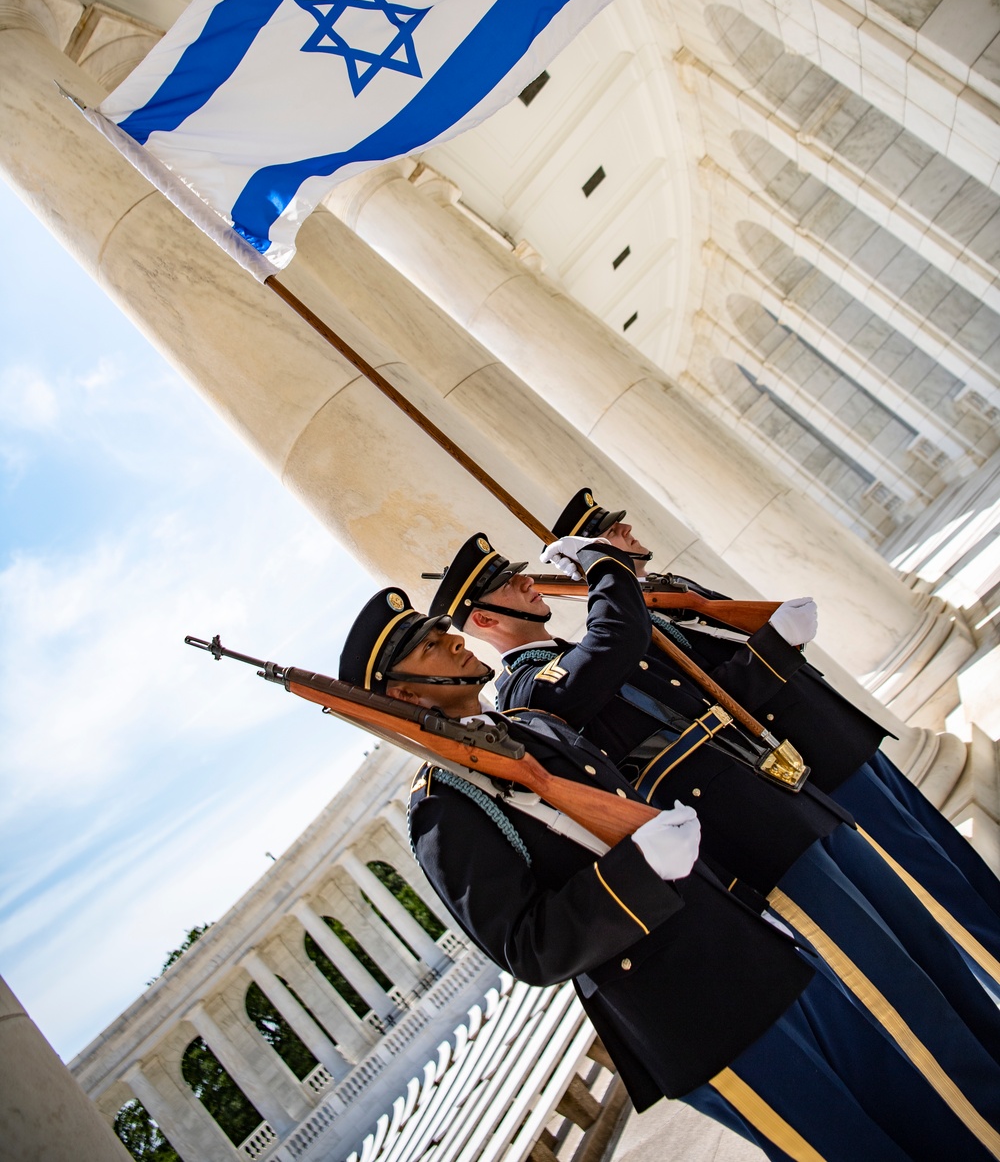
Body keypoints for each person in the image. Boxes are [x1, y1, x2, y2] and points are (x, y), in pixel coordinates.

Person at [336, 585, 1000, 1161]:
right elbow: (528, 946)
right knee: (851, 1148)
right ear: (399, 695)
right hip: (695, 1008)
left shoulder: (527, 726)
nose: (451, 640)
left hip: (752, 948)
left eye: (441, 629)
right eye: (429, 646)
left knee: (922, 1108)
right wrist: (637, 870)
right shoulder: (443, 808)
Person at [536, 488, 1000, 998]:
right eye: (607, 535)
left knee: (951, 860)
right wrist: (776, 644)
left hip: (839, 738)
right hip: (807, 764)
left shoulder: (673, 594)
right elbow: (713, 712)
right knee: (930, 887)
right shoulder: (630, 637)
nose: (625, 532)